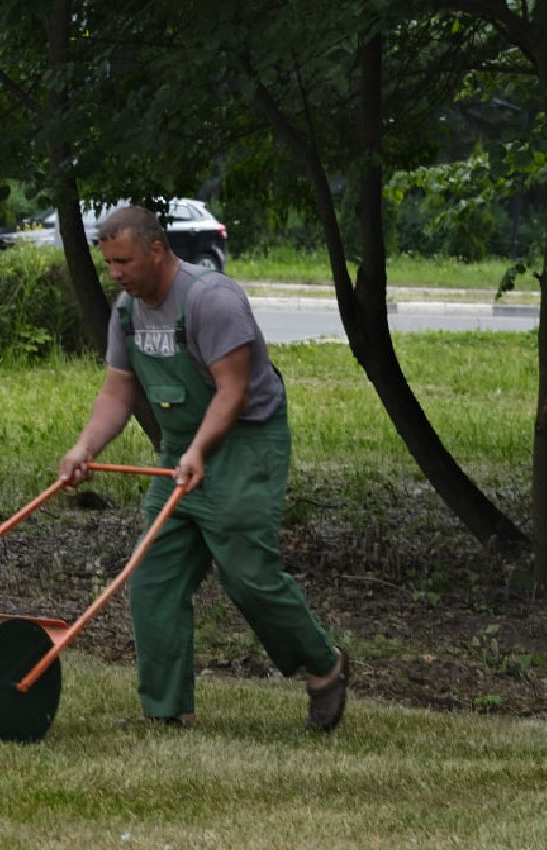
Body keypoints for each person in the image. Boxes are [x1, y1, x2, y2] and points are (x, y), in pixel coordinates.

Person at [58, 205, 349, 731]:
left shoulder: (210, 299)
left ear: (156, 249)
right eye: (108, 264)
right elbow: (117, 390)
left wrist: (199, 452)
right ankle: (165, 711)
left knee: (249, 576)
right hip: (180, 450)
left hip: (244, 444)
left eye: (124, 261)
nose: (116, 273)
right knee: (153, 578)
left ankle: (325, 666)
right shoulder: (127, 310)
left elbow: (234, 390)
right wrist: (85, 449)